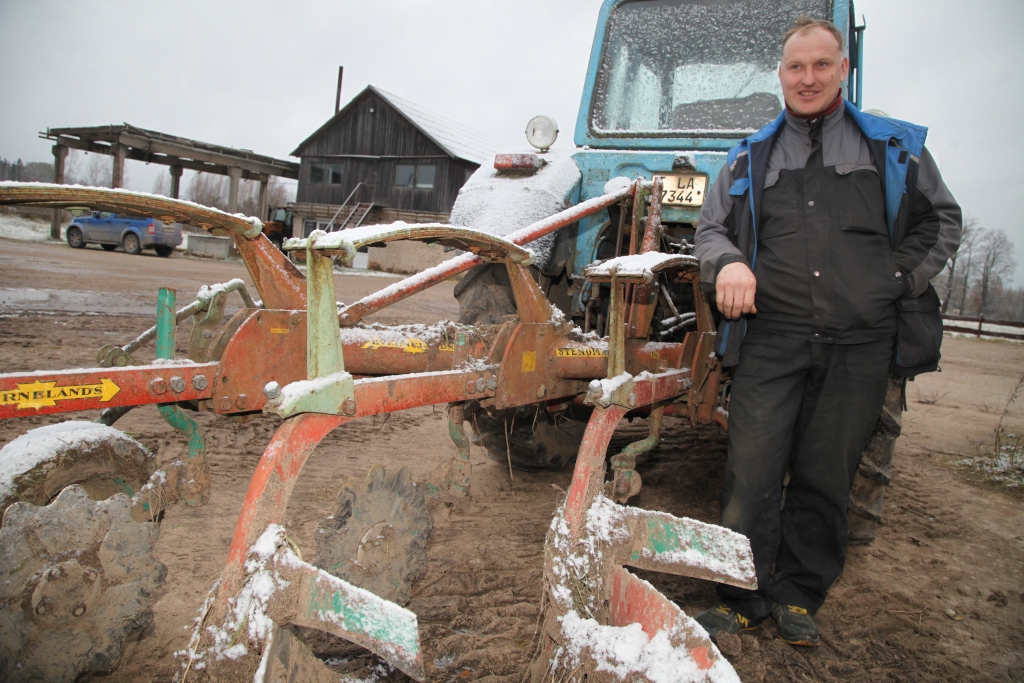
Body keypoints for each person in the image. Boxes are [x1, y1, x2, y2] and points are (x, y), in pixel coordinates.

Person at [693, 15, 962, 646]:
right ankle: (740, 597)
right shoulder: (749, 156)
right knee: (750, 472)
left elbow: (942, 222)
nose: (807, 78)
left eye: (821, 65)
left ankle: (798, 596)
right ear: (780, 75)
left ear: (844, 70)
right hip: (772, 339)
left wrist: (897, 281)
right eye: (795, 67)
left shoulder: (895, 149)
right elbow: (711, 231)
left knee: (826, 473)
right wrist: (729, 262)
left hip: (861, 343)